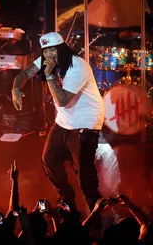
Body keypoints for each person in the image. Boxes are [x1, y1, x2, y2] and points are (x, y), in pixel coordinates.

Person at [12, 32, 104, 211]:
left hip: (86, 122)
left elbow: (62, 100)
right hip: (64, 121)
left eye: (53, 50)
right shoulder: (47, 59)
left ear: (62, 49)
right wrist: (15, 88)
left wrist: (49, 76)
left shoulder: (78, 66)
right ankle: (67, 201)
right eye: (45, 51)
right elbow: (24, 74)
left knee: (85, 176)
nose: (49, 55)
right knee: (49, 160)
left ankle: (97, 213)